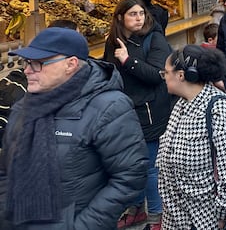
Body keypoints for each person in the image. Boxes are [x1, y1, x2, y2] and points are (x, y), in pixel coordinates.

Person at [0, 27, 148, 227]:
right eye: (27, 62)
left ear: (71, 64)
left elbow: (130, 176)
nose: (27, 70)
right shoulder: (24, 107)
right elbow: (6, 168)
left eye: (38, 64)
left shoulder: (109, 107)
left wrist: (82, 226)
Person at [103, 0, 173, 230]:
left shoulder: (155, 38)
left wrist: (127, 60)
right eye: (133, 14)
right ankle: (135, 209)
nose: (138, 18)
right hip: (124, 111)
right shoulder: (114, 41)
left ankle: (156, 216)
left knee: (150, 167)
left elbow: (157, 74)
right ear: (120, 17)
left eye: (141, 13)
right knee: (130, 165)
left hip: (151, 112)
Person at [157, 45, 226, 230]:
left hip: (205, 220)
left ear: (181, 75)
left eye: (166, 72)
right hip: (176, 218)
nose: (164, 76)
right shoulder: (181, 105)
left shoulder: (219, 111)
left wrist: (222, 218)